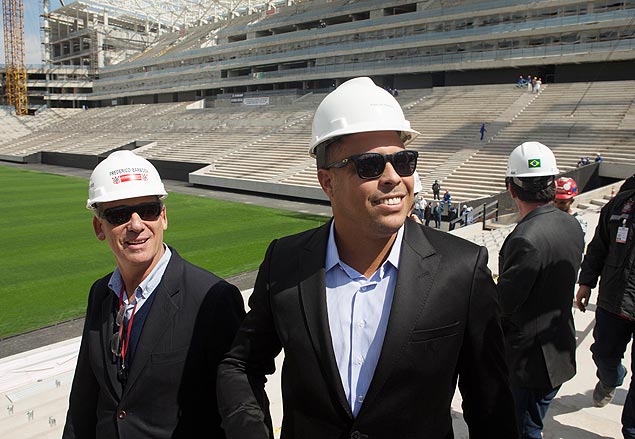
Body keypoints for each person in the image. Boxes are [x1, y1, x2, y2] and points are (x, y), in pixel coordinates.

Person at [217, 77, 518, 439]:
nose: (394, 178)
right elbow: (240, 364)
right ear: (327, 182)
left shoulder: (462, 268)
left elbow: (490, 404)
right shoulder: (285, 260)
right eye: (370, 165)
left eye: (404, 161)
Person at [63, 150, 245, 439]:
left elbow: (242, 412)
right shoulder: (100, 294)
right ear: (100, 227)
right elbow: (83, 401)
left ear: (163, 217)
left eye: (147, 210)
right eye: (119, 215)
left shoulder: (213, 298)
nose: (136, 225)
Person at [498, 142, 584, 439]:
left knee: (525, 429)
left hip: (531, 363)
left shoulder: (525, 238)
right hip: (557, 349)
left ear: (511, 188)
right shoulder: (571, 224)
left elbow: (504, 305)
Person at [576, 181, 635, 438]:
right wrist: (586, 282)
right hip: (613, 301)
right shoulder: (620, 204)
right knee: (602, 353)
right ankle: (611, 379)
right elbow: (598, 247)